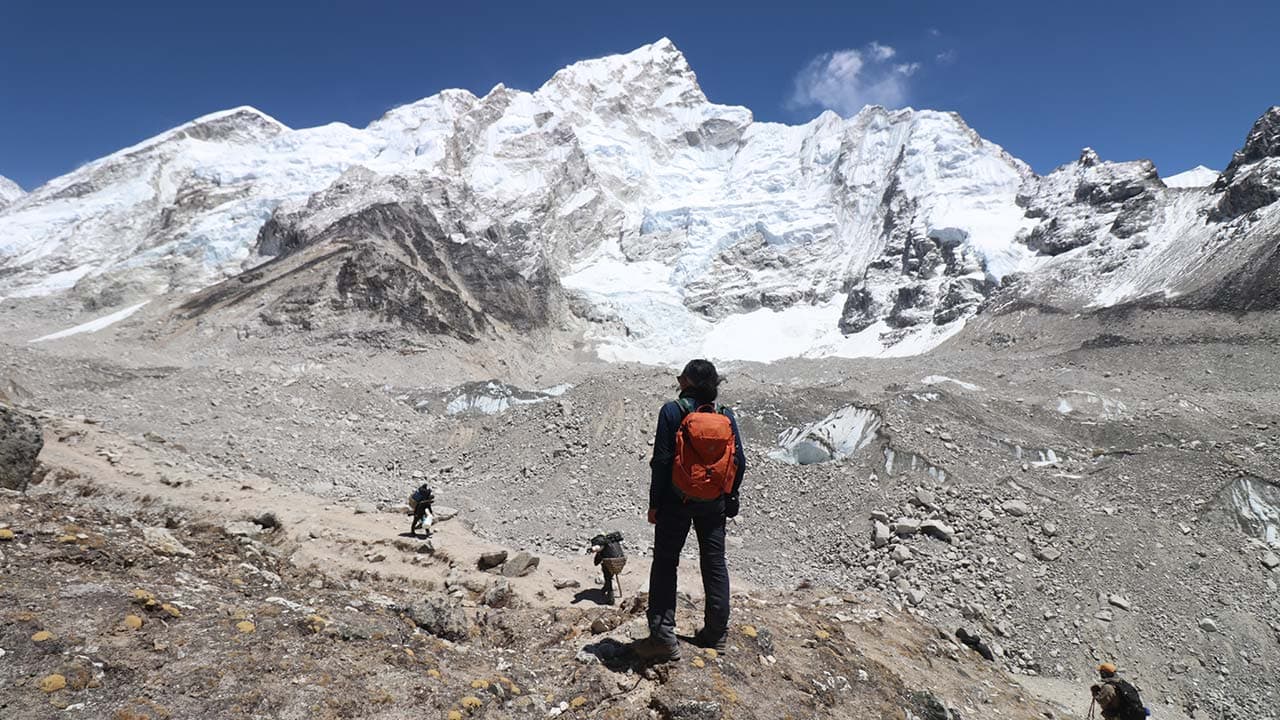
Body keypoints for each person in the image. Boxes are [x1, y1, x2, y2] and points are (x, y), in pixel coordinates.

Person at [632, 359, 747, 662]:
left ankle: (663, 636)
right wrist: (730, 496)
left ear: (688, 383)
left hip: (675, 501)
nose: (678, 380)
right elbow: (740, 461)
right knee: (714, 562)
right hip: (714, 503)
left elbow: (662, 461)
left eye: (681, 377)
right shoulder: (726, 415)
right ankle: (716, 634)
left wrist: (654, 503)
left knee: (666, 562)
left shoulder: (672, 411)